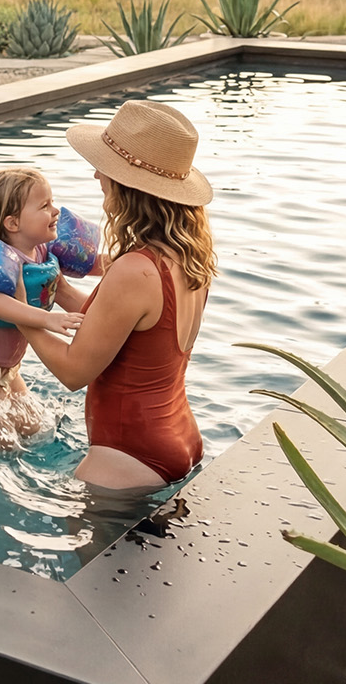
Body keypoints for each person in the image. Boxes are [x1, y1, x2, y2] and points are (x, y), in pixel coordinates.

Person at [18, 100, 216, 491]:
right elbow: (121, 332)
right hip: (178, 439)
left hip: (127, 459)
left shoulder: (134, 270)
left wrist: (18, 309)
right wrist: (55, 288)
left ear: (130, 186)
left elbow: (74, 371)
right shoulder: (185, 256)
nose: (96, 174)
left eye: (105, 168)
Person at [0, 168, 102, 443]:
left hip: (9, 371)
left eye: (52, 202)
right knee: (0, 443)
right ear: (13, 223)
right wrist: (46, 320)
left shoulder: (43, 254)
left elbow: (75, 286)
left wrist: (106, 318)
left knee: (37, 429)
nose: (56, 211)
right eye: (44, 205)